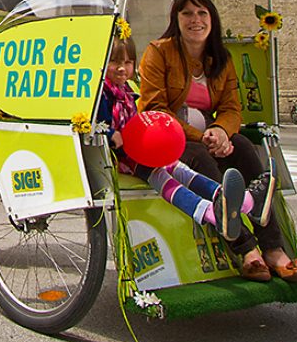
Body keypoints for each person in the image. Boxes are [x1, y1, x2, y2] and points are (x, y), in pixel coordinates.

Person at [137, 0, 297, 283]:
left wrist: (221, 131)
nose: (195, 20)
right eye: (187, 13)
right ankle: (246, 250)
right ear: (175, 19)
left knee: (243, 147)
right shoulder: (159, 52)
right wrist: (200, 136)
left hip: (210, 137)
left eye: (202, 13)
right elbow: (155, 108)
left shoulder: (221, 59)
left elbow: (232, 107)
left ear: (212, 19)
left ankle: (272, 247)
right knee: (201, 156)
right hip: (170, 139)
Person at [100, 29, 270, 239]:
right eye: (114, 62)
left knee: (182, 170)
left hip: (140, 152)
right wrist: (110, 133)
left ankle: (239, 202)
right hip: (123, 158)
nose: (121, 68)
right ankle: (211, 212)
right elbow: (97, 122)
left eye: (128, 62)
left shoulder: (126, 92)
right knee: (164, 179)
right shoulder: (103, 93)